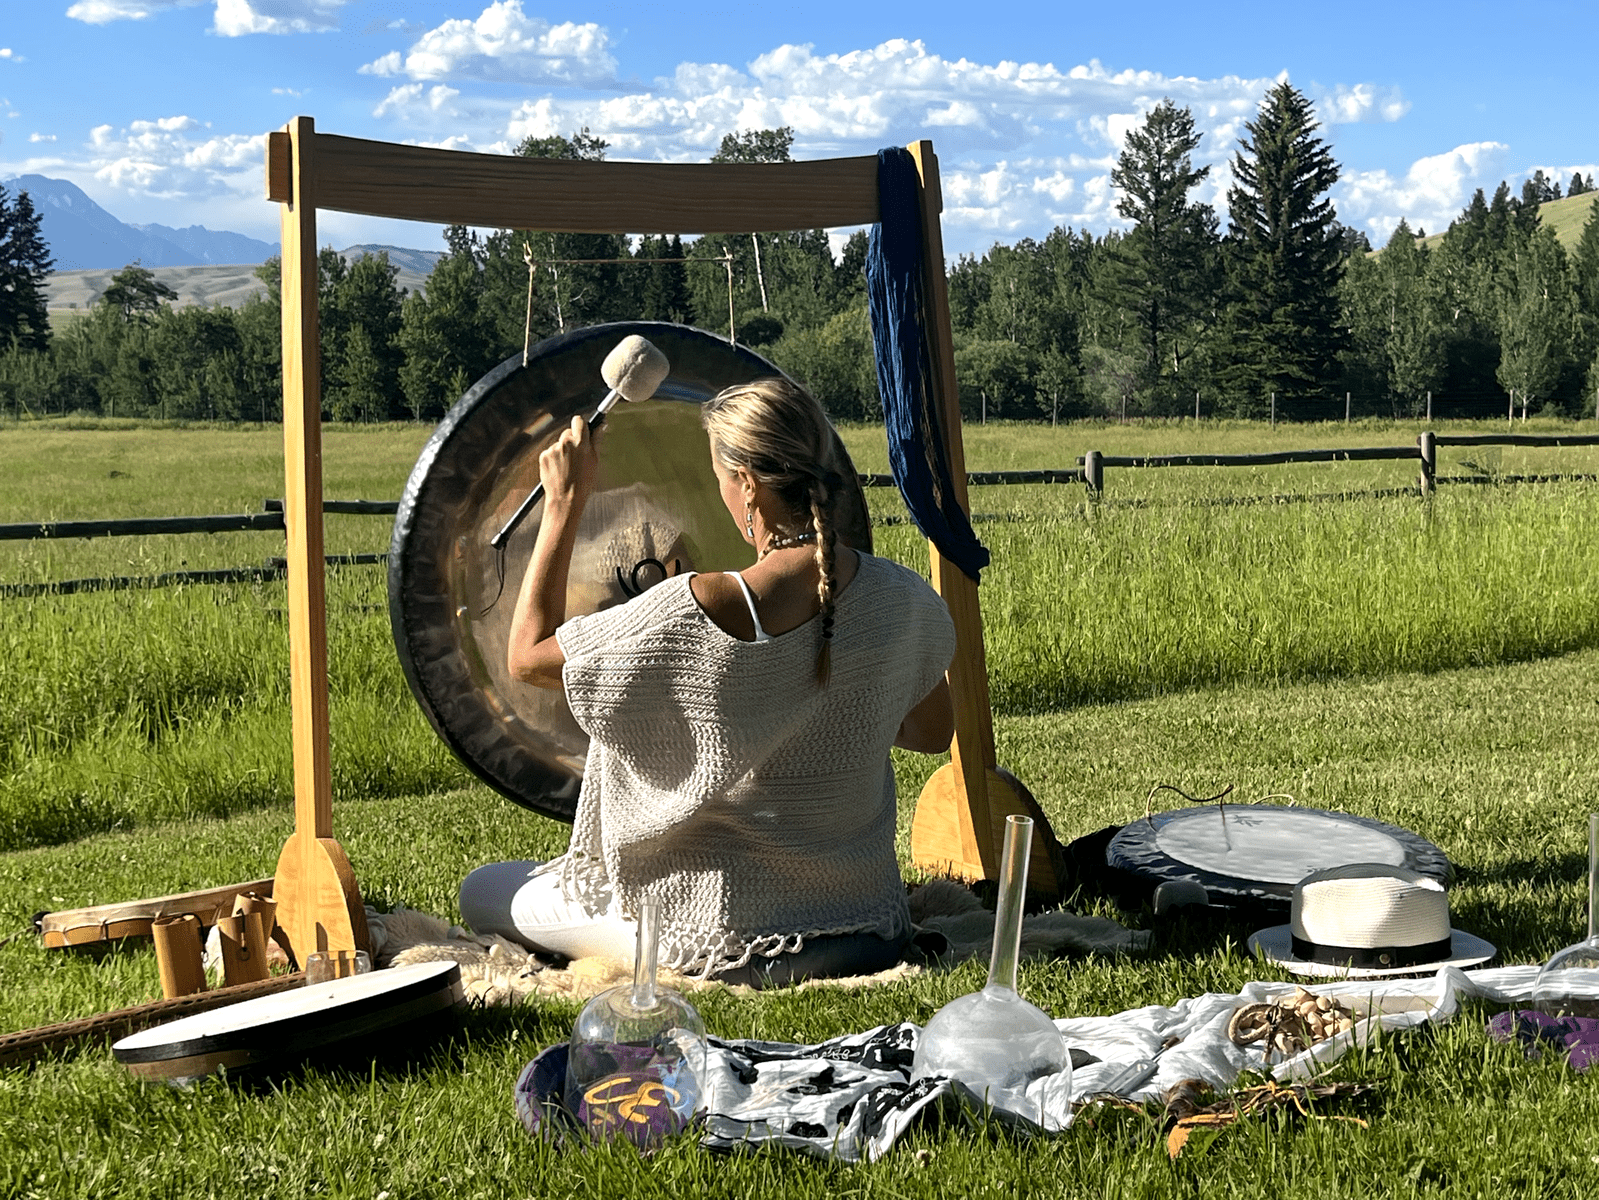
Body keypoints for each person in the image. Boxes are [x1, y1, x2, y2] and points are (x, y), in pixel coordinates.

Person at [459, 377, 956, 986]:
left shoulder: (688, 608)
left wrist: (564, 503)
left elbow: (526, 657)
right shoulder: (907, 599)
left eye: (720, 476)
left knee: (483, 888)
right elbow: (933, 732)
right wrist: (831, 707)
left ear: (746, 482)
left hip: (718, 937)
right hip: (865, 925)